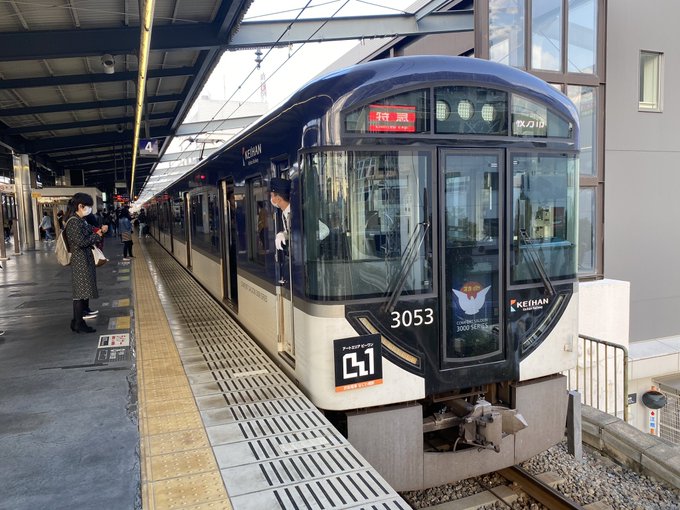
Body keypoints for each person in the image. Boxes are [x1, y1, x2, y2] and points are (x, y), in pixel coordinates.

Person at [63, 193, 108, 334]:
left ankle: (78, 321)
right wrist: (98, 235)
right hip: (80, 261)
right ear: (80, 206)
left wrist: (99, 231)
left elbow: (88, 233)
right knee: (79, 294)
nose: (88, 209)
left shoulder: (80, 220)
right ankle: (78, 323)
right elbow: (81, 242)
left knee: (82, 292)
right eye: (87, 206)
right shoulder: (73, 222)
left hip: (84, 260)